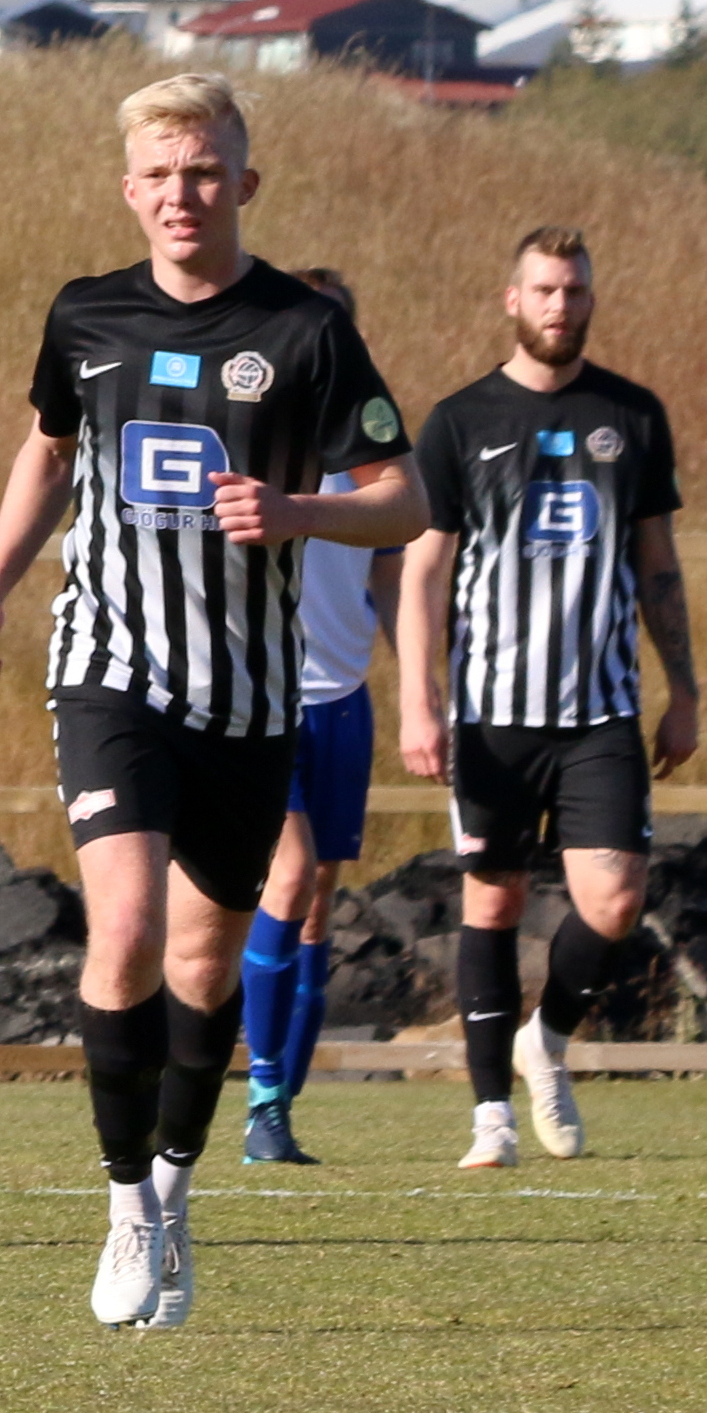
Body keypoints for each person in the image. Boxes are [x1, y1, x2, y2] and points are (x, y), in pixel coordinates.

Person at [0, 74, 424, 1330]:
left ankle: (171, 1186)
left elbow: (407, 498)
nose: (182, 194)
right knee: (121, 927)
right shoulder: (84, 314)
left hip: (250, 695)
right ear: (129, 189)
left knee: (205, 960)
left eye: (204, 171)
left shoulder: (305, 330)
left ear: (243, 182)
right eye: (160, 174)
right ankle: (122, 1206)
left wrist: (300, 509)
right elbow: (48, 450)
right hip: (109, 671)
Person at [395, 227, 698, 1169]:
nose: (558, 305)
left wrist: (685, 691)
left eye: (572, 290)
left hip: (600, 712)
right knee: (492, 900)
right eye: (543, 290)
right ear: (511, 299)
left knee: (614, 899)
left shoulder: (631, 415)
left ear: (589, 299)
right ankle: (490, 1114)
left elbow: (658, 565)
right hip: (491, 713)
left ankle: (547, 1039)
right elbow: (423, 571)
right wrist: (417, 698)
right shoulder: (459, 420)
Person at [234, 267, 406, 1165]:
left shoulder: (371, 444)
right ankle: (260, 1096)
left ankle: (278, 1108)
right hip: (262, 697)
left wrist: (417, 688)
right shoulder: (253, 432)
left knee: (316, 904)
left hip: (342, 699)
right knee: (288, 875)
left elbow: (392, 565)